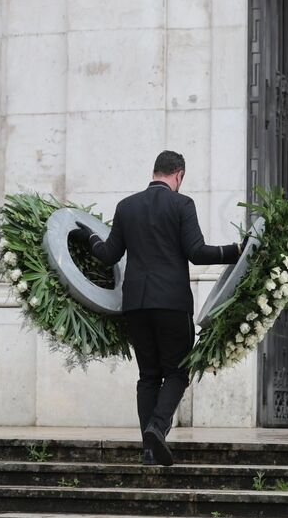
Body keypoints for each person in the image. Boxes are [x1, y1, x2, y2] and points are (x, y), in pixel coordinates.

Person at [70, 151, 241, 466]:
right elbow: (197, 253)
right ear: (179, 175)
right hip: (172, 302)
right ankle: (157, 429)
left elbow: (107, 255)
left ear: (154, 172)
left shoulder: (126, 206)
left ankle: (149, 450)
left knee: (148, 375)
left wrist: (89, 235)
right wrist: (239, 250)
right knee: (177, 372)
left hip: (135, 304)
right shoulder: (182, 204)